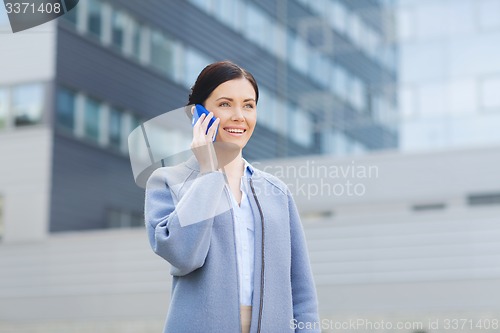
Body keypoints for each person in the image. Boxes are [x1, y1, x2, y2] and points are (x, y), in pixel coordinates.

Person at [145, 61, 320, 333]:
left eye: (248, 105)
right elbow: (182, 255)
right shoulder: (167, 182)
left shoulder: (276, 192)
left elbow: (302, 290)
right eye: (225, 104)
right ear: (198, 113)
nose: (239, 115)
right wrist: (208, 172)